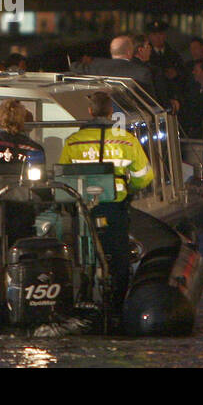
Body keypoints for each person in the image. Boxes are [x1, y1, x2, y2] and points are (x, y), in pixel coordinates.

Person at [58, 91, 153, 304]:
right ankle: (118, 300)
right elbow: (145, 176)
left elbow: (62, 177)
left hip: (84, 209)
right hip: (115, 206)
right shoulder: (127, 141)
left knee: (82, 252)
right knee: (119, 255)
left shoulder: (73, 141)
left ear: (90, 111)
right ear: (111, 112)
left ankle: (83, 294)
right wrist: (129, 188)